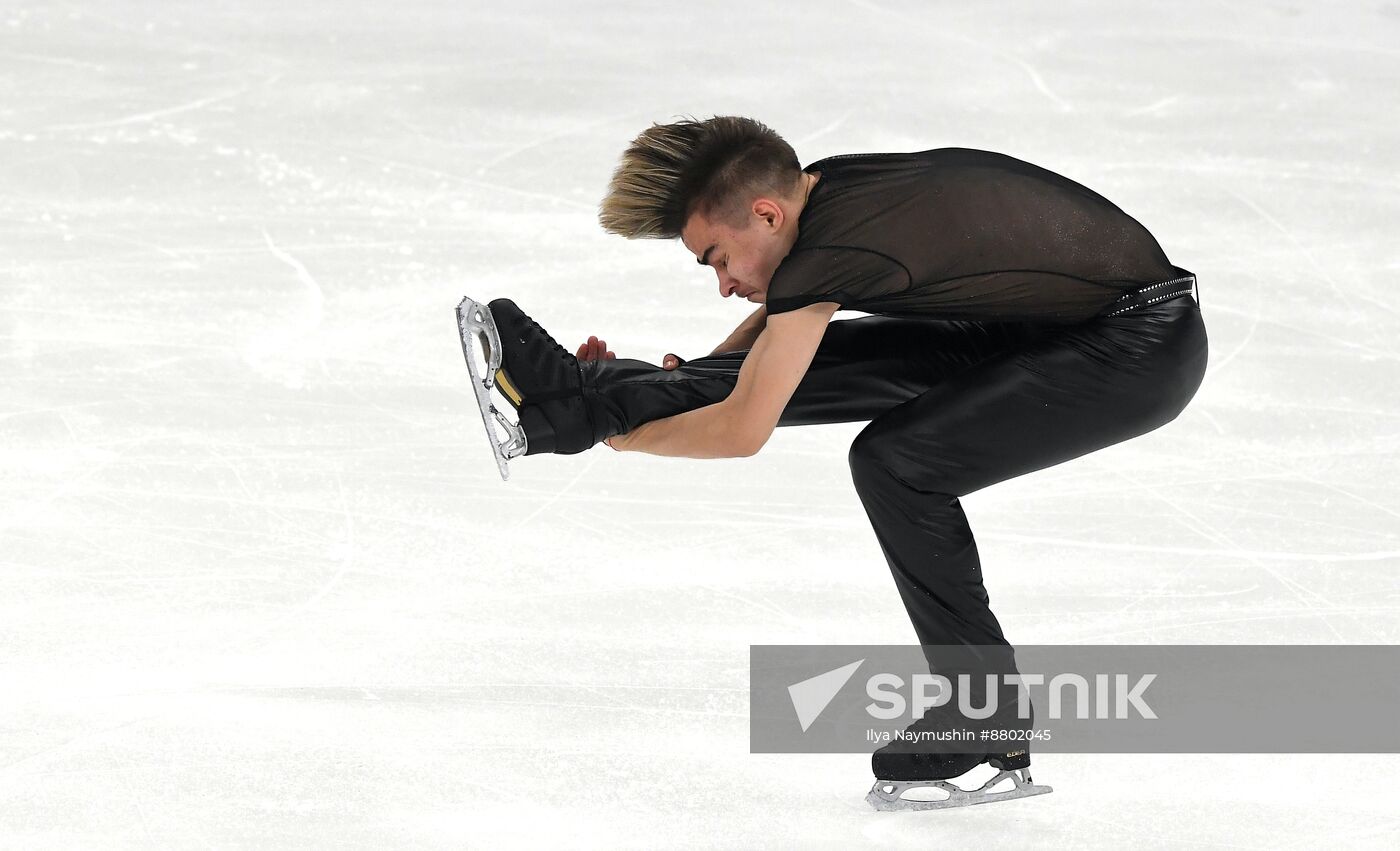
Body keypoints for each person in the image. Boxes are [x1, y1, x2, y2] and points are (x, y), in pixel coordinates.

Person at [462, 115, 1208, 809]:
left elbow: (746, 427)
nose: (722, 282)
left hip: (1137, 343)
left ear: (765, 215)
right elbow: (772, 344)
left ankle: (987, 715)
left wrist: (628, 432)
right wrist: (668, 386)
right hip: (1038, 324)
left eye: (716, 259)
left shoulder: (831, 244)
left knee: (895, 461)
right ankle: (575, 395)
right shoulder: (824, 195)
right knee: (783, 378)